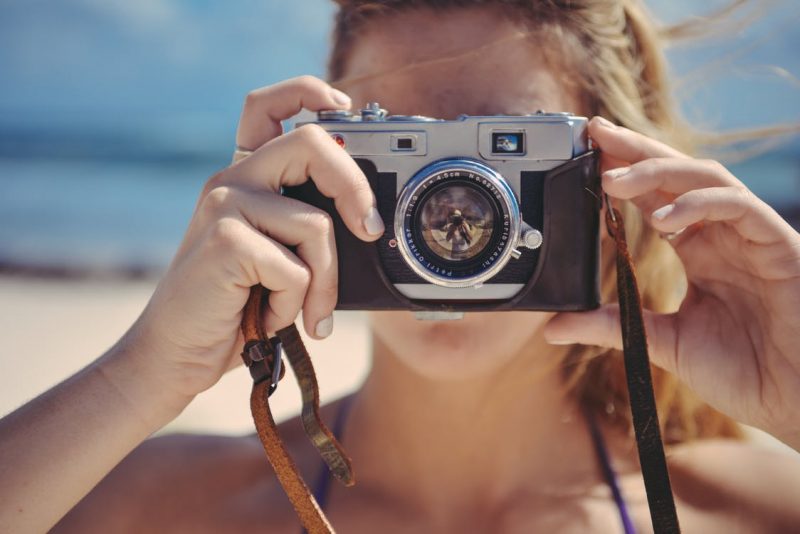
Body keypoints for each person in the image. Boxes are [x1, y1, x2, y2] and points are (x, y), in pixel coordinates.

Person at [2, 0, 800, 532]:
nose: (446, 209)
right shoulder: (154, 504)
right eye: (401, 152)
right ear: (315, 171)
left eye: (507, 149)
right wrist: (140, 377)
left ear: (608, 194)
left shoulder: (752, 511)